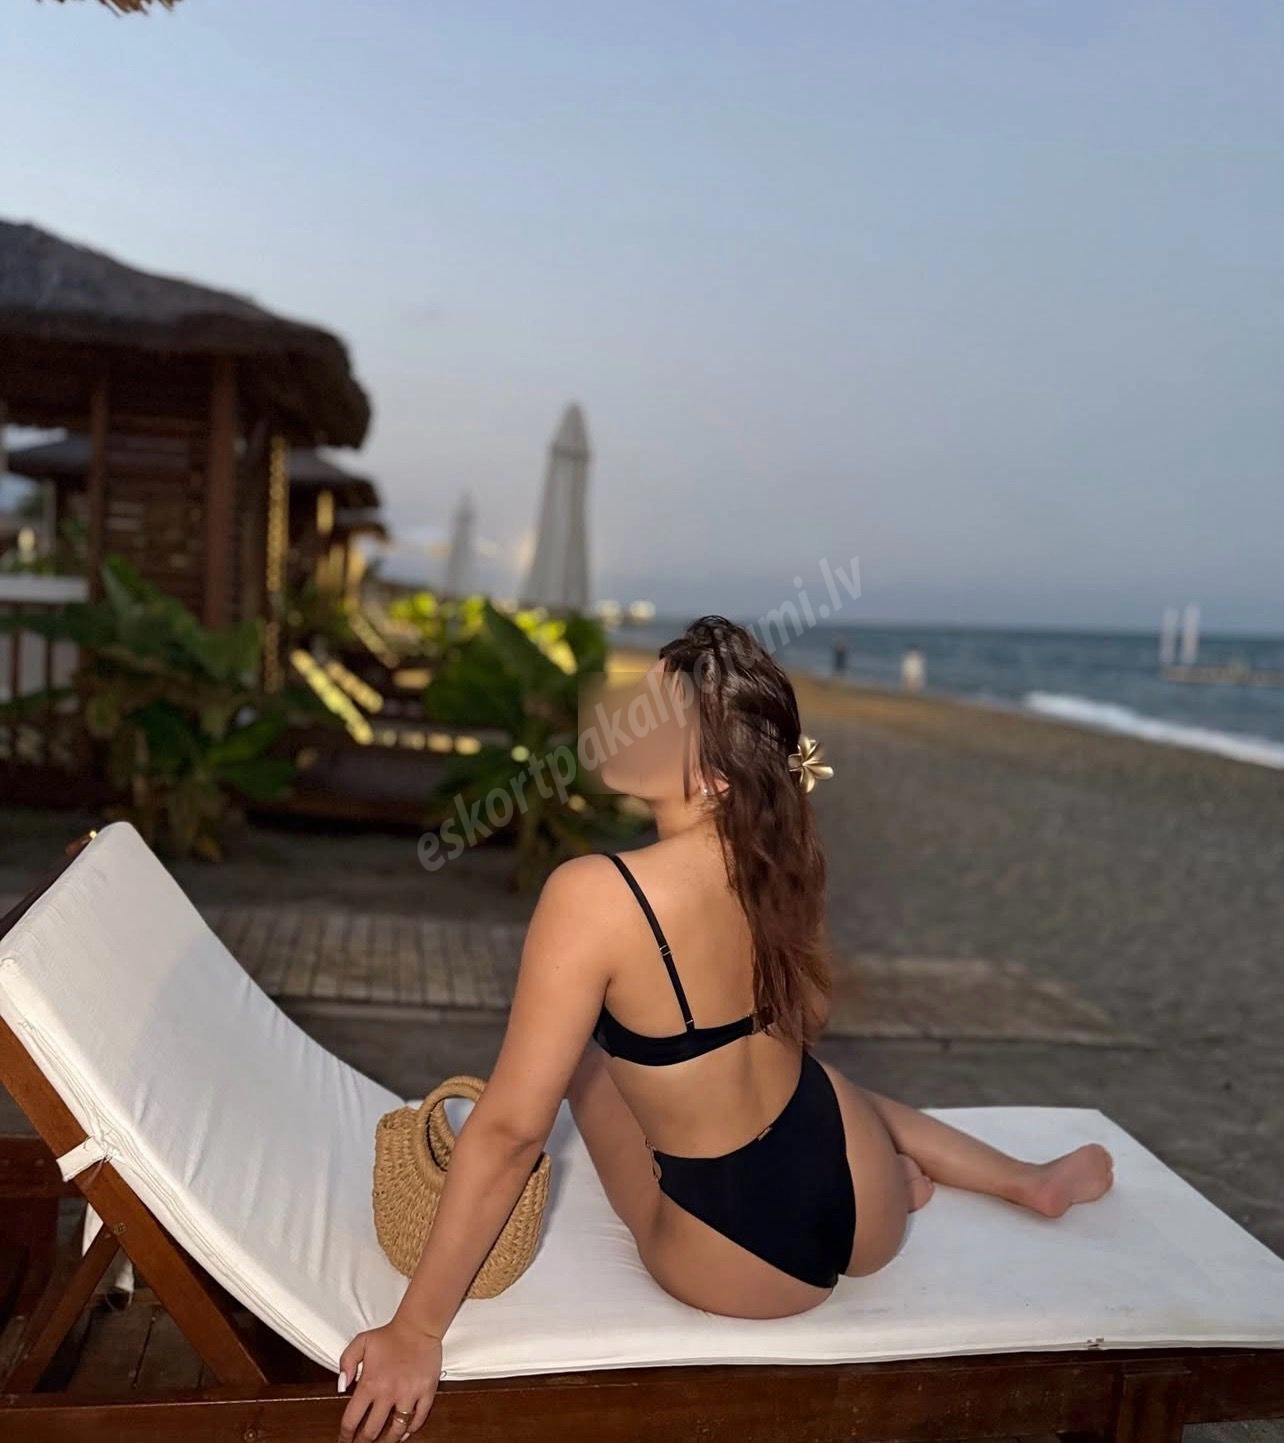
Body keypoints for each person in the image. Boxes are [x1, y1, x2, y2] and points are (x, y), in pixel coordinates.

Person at [338, 616, 1112, 1443]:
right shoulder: (779, 858)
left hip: (744, 1259)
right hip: (862, 1193)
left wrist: (417, 1330)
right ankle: (1023, 1180)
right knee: (806, 1078)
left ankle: (948, 1176)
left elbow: (512, 1132)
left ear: (712, 780)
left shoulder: (593, 895)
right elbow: (804, 1025)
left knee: (580, 1068)